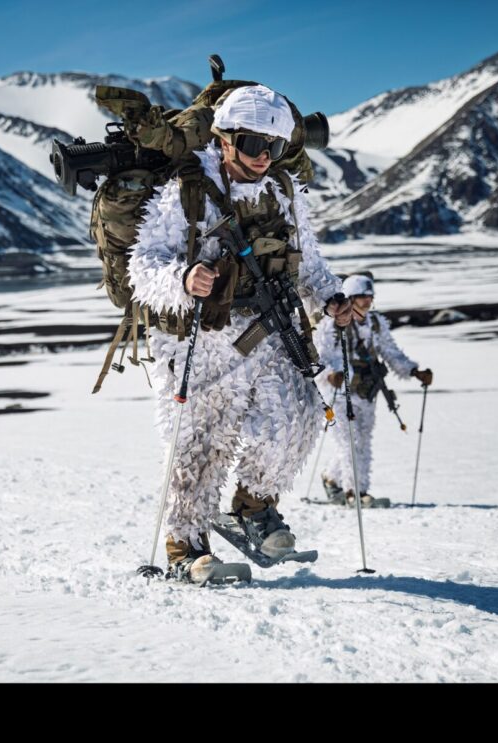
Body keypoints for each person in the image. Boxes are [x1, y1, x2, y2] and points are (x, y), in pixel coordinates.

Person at [128, 84, 353, 582]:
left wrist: (330, 298)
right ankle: (186, 548)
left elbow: (308, 264)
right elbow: (143, 266)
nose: (264, 158)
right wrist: (183, 279)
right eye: (254, 146)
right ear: (224, 139)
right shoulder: (185, 193)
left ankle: (253, 509)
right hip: (201, 339)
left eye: (273, 148)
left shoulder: (284, 192)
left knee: (298, 418)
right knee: (201, 444)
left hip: (270, 329)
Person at [314, 274, 433, 506]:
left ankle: (331, 479)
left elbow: (391, 352)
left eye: (370, 297)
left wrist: (413, 371)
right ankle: (355, 493)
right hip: (339, 394)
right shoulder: (330, 325)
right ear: (349, 299)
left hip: (368, 391)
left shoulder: (375, 324)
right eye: (362, 297)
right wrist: (329, 375)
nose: (367, 302)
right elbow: (318, 358)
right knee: (350, 441)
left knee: (361, 441)